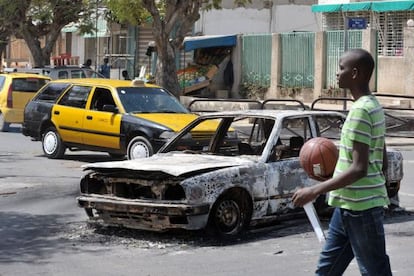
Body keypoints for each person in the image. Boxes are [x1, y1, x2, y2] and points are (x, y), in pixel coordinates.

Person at [292, 48, 392, 276]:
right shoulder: (374, 106)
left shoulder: (360, 112)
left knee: (375, 271)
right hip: (347, 205)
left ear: (355, 73)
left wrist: (314, 190)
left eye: (341, 68)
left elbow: (359, 168)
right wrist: (334, 175)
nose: (337, 74)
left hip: (362, 209)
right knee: (326, 271)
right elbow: (381, 161)